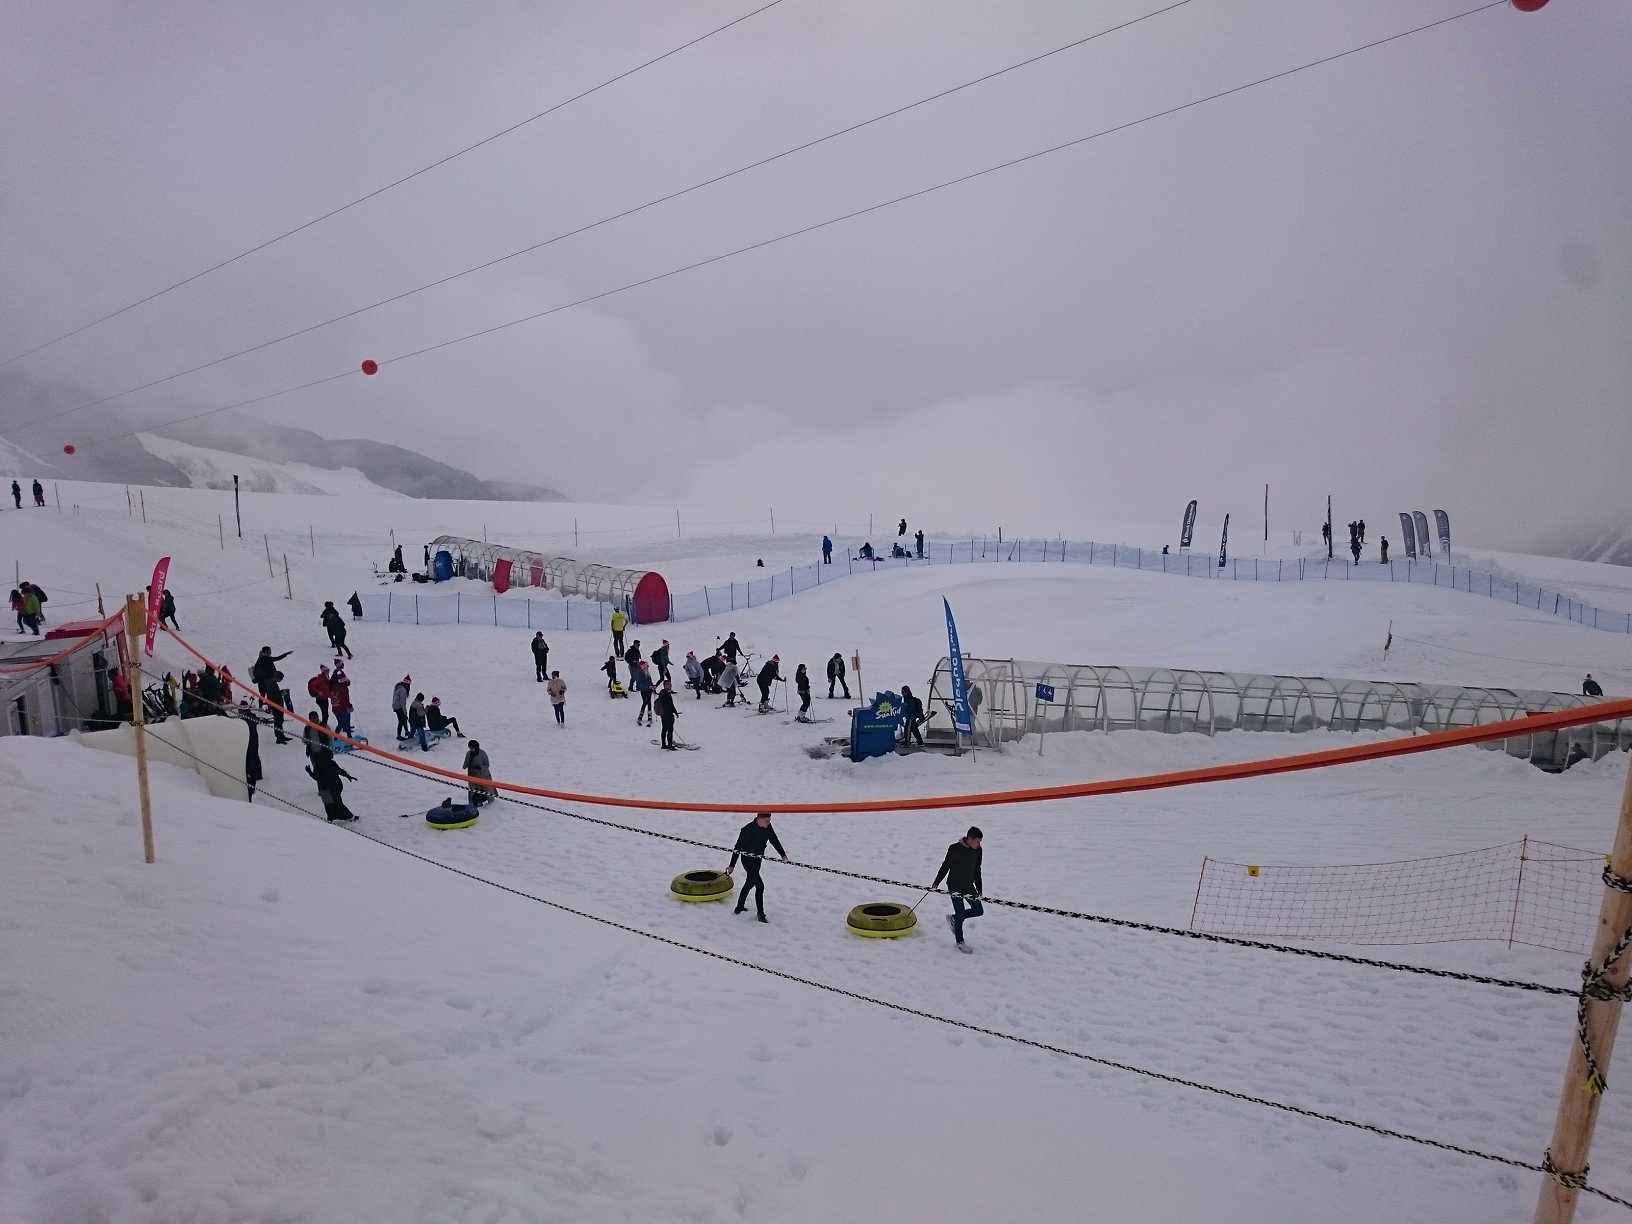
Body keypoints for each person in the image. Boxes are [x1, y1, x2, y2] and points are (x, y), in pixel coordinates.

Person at [727, 811, 787, 922]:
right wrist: (732, 865)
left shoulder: (768, 827)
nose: (768, 823)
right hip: (747, 861)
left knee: (750, 883)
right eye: (766, 821)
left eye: (769, 821)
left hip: (757, 860)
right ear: (759, 819)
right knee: (760, 886)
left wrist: (783, 855)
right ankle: (761, 914)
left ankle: (739, 907)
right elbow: (737, 848)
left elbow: (774, 840)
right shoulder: (747, 830)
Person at [932, 827, 984, 952]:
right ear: (970, 839)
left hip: (968, 885)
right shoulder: (954, 848)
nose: (979, 844)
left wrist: (979, 888)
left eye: (980, 841)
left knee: (978, 910)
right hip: (954, 885)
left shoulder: (978, 850)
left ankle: (954, 918)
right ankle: (960, 942)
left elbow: (977, 869)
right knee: (960, 913)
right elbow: (946, 865)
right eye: (977, 841)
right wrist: (937, 882)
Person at [251, 646, 293, 744]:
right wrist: (281, 693)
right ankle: (279, 738)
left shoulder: (271, 680)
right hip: (275, 703)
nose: (270, 653)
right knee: (278, 719)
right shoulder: (264, 662)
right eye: (269, 651)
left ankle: (281, 736)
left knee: (280, 719)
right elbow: (272, 694)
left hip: (276, 701)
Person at [306, 746, 357, 822]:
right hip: (335, 787)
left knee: (329, 804)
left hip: (326, 788)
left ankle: (334, 818)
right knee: (337, 803)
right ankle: (344, 817)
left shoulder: (318, 765)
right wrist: (348, 776)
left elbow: (316, 777)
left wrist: (309, 772)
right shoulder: (331, 762)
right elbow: (340, 771)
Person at [241, 700, 263, 803]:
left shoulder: (245, 719)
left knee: (251, 758)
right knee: (255, 756)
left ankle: (254, 775)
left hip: (250, 740)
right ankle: (258, 774)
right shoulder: (251, 716)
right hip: (253, 740)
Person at [463, 739, 494, 806]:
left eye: (472, 748)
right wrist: (465, 766)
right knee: (472, 790)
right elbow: (466, 763)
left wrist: (480, 767)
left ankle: (490, 803)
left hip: (483, 775)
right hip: (472, 775)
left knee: (486, 789)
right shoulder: (469, 753)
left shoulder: (482, 753)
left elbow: (487, 764)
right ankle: (472, 803)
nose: (471, 749)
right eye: (470, 748)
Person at [330, 664, 354, 738]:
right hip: (342, 708)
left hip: (336, 708)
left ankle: (339, 737)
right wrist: (349, 706)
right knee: (344, 722)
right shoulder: (341, 688)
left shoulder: (335, 686)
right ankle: (348, 737)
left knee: (341, 723)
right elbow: (344, 700)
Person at [655, 679, 679, 749]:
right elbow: (670, 705)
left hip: (664, 714)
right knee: (669, 730)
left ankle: (664, 745)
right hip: (667, 715)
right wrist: (674, 712)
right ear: (665, 685)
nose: (670, 686)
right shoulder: (665, 693)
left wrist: (675, 712)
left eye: (670, 684)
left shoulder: (664, 692)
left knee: (665, 729)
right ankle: (669, 745)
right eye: (668, 684)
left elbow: (670, 704)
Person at [634, 661, 655, 727]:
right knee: (645, 702)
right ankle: (640, 717)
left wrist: (652, 686)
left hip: (649, 690)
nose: (647, 668)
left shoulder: (647, 673)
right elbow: (640, 684)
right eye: (646, 667)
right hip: (644, 691)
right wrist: (649, 686)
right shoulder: (640, 673)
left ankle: (649, 716)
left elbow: (650, 681)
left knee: (649, 702)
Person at [391, 675, 412, 739]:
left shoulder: (399, 687)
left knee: (404, 719)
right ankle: (399, 735)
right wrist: (405, 712)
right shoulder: (403, 690)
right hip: (399, 707)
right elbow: (402, 702)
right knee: (401, 720)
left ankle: (406, 731)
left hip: (396, 705)